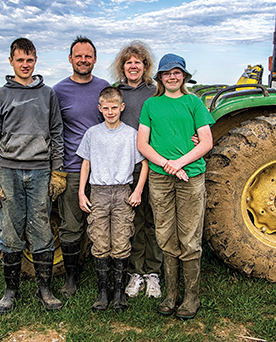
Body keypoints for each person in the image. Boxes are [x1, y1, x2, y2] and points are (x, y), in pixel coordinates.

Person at [0, 37, 66, 313]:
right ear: (11, 62)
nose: (25, 65)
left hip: (40, 170)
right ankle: (10, 291)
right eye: (20, 60)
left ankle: (45, 289)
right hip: (8, 170)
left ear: (36, 60)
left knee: (41, 226)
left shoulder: (47, 94)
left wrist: (58, 171)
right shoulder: (0, 96)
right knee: (11, 227)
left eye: (30, 60)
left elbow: (56, 134)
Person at [137, 53, 214, 319]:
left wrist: (178, 163)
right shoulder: (151, 105)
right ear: (159, 77)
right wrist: (166, 165)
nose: (171, 76)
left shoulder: (194, 103)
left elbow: (205, 142)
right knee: (165, 235)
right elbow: (142, 144)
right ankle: (171, 295)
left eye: (176, 72)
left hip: (191, 176)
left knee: (190, 236)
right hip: (160, 178)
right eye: (166, 73)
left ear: (184, 76)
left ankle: (191, 298)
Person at [77, 86, 149, 311]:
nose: (110, 112)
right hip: (98, 191)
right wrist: (82, 192)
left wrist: (137, 190)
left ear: (122, 108)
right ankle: (102, 291)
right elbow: (85, 163)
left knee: (121, 239)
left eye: (114, 108)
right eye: (106, 108)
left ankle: (119, 292)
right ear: (100, 109)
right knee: (99, 240)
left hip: (122, 191)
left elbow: (144, 163)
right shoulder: (92, 133)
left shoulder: (130, 134)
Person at [53, 36, 110, 298]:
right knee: (71, 224)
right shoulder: (58, 91)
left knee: (105, 223)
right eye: (79, 56)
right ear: (70, 59)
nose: (83, 60)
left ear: (95, 59)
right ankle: (71, 278)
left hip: (104, 169)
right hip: (73, 167)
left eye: (88, 56)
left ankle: (108, 276)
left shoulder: (104, 87)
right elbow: (52, 130)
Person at [110, 41, 163, 299]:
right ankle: (134, 272)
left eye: (138, 62)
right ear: (123, 66)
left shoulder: (155, 93)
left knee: (153, 220)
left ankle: (153, 272)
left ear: (145, 66)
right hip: (125, 168)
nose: (133, 66)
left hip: (153, 165)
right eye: (128, 62)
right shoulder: (115, 94)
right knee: (132, 221)